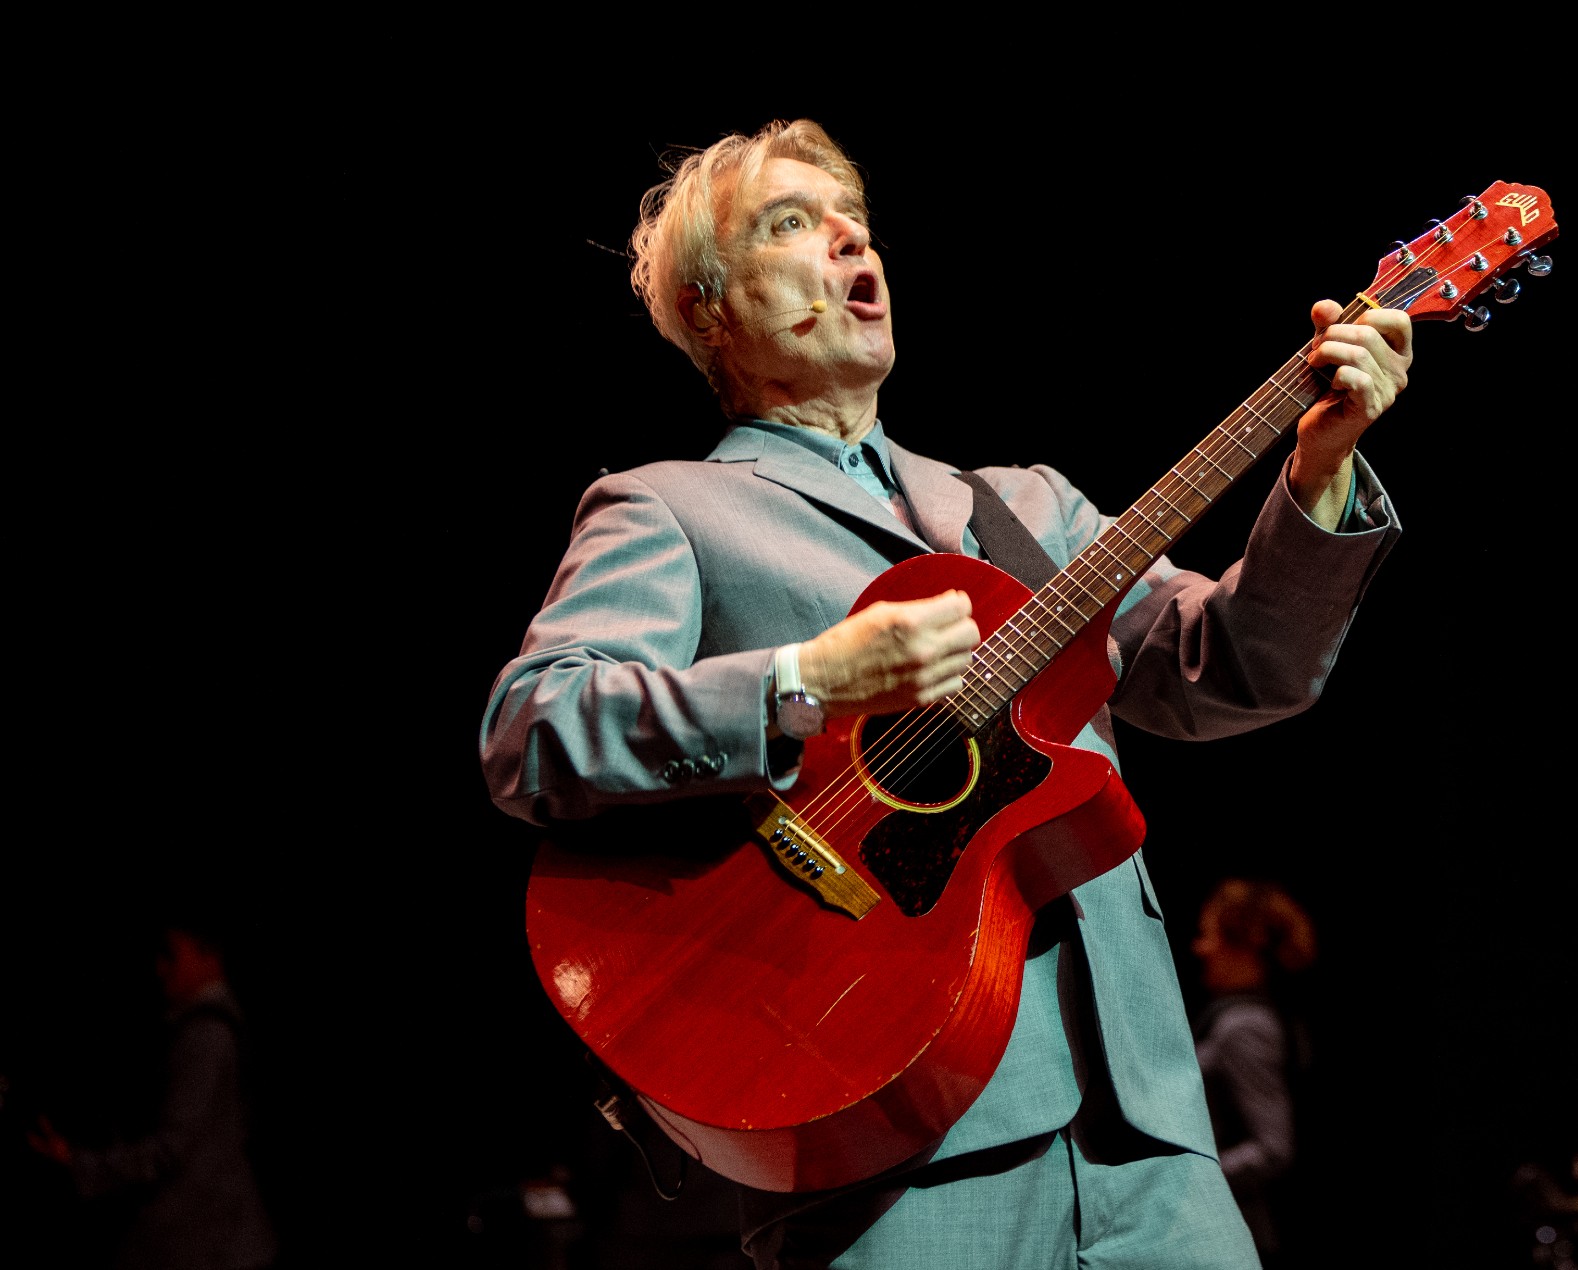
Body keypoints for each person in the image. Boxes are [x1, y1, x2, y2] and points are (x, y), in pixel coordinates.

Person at [479, 118, 1410, 1268]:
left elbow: (1240, 668)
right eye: (793, 227)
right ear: (710, 306)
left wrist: (1317, 475)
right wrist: (800, 681)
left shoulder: (1025, 508)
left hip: (1151, 1131)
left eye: (855, 228)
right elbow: (532, 730)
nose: (848, 247)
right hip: (886, 1132)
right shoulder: (666, 508)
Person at [26, 918, 278, 1270]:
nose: (160, 969)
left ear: (208, 955)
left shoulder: (206, 1033)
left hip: (205, 1241)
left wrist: (78, 1161)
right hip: (215, 1234)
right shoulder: (213, 1025)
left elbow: (169, 1150)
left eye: (171, 955)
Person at [1189, 880, 1317, 1269]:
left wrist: (1184, 1177)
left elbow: (1273, 1147)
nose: (1201, 948)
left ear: (1245, 945)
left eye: (1209, 935)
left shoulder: (1245, 1026)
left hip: (1233, 1237)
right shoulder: (1246, 1018)